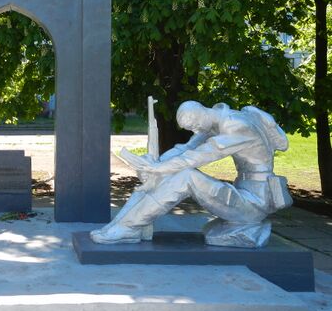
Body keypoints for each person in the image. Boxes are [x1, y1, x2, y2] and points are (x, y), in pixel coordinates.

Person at [91, 101, 293, 247]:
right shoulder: (217, 119)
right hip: (246, 193)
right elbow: (186, 149)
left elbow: (202, 155)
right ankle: (123, 225)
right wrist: (156, 165)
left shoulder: (235, 125)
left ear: (200, 116)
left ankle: (129, 227)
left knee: (186, 176)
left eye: (193, 127)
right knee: (164, 174)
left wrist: (160, 168)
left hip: (254, 203)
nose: (195, 131)